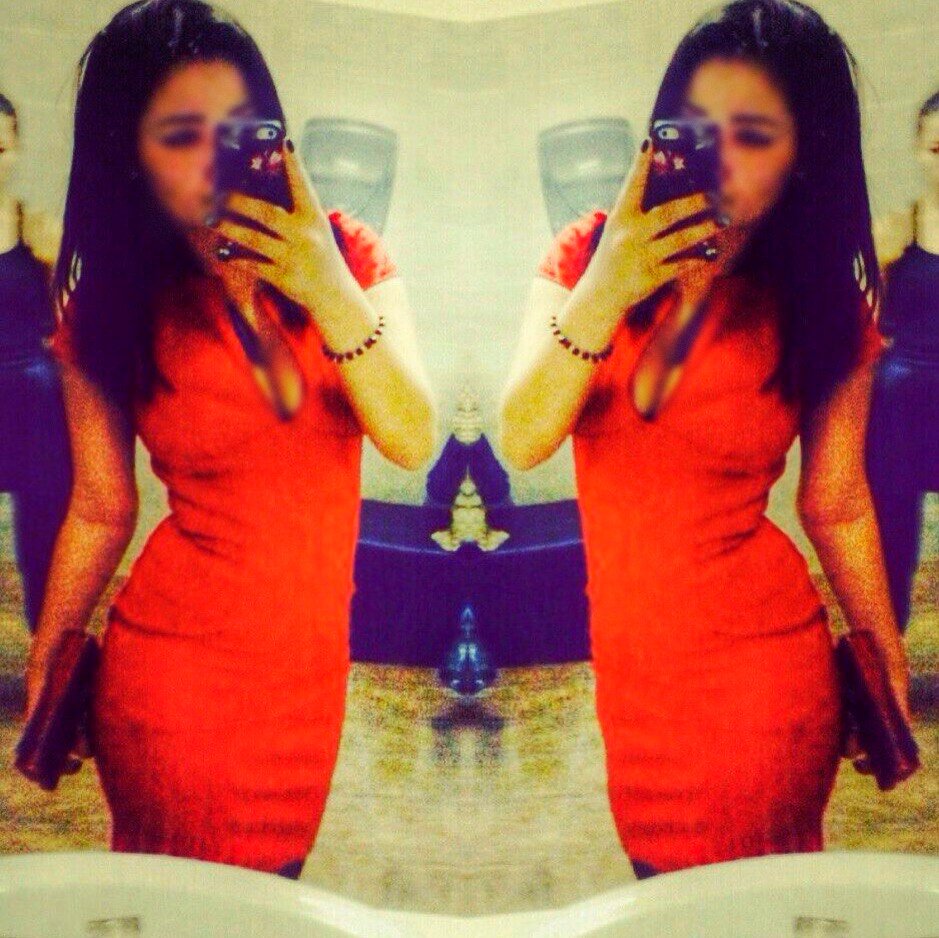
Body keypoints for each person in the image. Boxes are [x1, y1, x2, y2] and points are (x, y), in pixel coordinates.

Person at [24, 0, 436, 880]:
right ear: (129, 157)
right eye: (182, 135)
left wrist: (323, 284)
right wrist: (49, 655)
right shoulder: (115, 301)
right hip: (173, 688)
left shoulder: (350, 258)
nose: (219, 160)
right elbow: (100, 507)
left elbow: (409, 436)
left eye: (239, 127)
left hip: (308, 684)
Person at [499, 0, 911, 878]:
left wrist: (884, 656)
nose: (715, 161)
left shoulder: (818, 298)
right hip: (632, 682)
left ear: (805, 156)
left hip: (761, 686)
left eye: (752, 135)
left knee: (741, 901)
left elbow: (835, 502)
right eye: (694, 127)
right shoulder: (584, 260)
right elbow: (524, 436)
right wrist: (611, 284)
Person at [866, 89, 939, 636]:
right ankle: (887, 664)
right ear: (919, 150)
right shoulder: (895, 229)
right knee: (891, 548)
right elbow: (856, 326)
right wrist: (881, 262)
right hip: (900, 410)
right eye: (938, 149)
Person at [0, 93, 72, 635]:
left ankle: (46, 663)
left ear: (15, 148)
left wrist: (53, 262)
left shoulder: (39, 228)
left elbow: (75, 324)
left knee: (44, 547)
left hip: (32, 405)